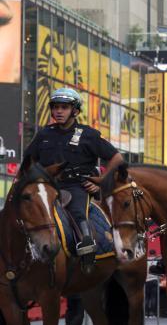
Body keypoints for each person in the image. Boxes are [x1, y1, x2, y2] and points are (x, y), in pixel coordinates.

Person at [23, 87, 123, 274]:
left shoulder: (88, 134)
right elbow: (29, 161)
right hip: (48, 187)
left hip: (77, 186)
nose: (58, 111)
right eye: (55, 107)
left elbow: (117, 158)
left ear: (75, 110)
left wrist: (101, 180)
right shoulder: (44, 134)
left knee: (77, 212)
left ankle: (87, 250)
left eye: (64, 107)